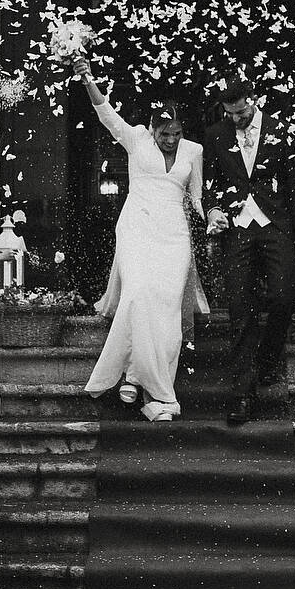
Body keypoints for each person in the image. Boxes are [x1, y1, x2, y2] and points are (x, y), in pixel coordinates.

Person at [74, 55, 207, 421]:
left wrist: (210, 217)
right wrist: (87, 80)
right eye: (164, 134)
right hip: (137, 226)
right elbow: (105, 114)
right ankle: (139, 377)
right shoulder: (134, 137)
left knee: (164, 307)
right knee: (137, 294)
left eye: (176, 134)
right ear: (152, 128)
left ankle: (138, 377)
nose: (171, 140)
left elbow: (195, 196)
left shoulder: (193, 151)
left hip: (174, 234)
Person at [202, 77, 295, 426]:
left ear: (252, 101)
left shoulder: (281, 130)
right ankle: (242, 395)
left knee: (284, 295)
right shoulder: (216, 134)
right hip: (237, 229)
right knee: (240, 308)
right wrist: (213, 210)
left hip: (276, 225)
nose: (235, 119)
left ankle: (267, 361)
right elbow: (209, 183)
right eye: (230, 114)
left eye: (240, 112)